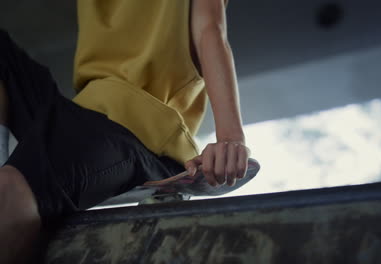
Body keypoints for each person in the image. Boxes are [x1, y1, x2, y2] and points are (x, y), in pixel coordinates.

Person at [0, 0, 250, 262]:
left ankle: (17, 191)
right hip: (82, 111)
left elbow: (210, 31)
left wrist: (231, 137)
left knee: (9, 189)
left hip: (139, 131)